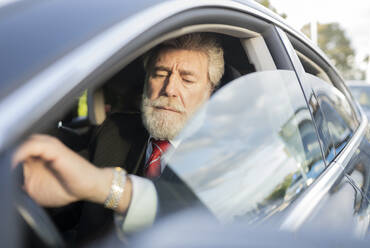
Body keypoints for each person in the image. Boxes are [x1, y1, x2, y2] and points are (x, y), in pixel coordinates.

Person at [13, 33, 225, 234]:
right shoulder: (114, 131)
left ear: (210, 92)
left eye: (187, 80)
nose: (169, 89)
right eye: (160, 74)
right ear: (145, 83)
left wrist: (109, 187)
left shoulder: (226, 156)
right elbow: (64, 199)